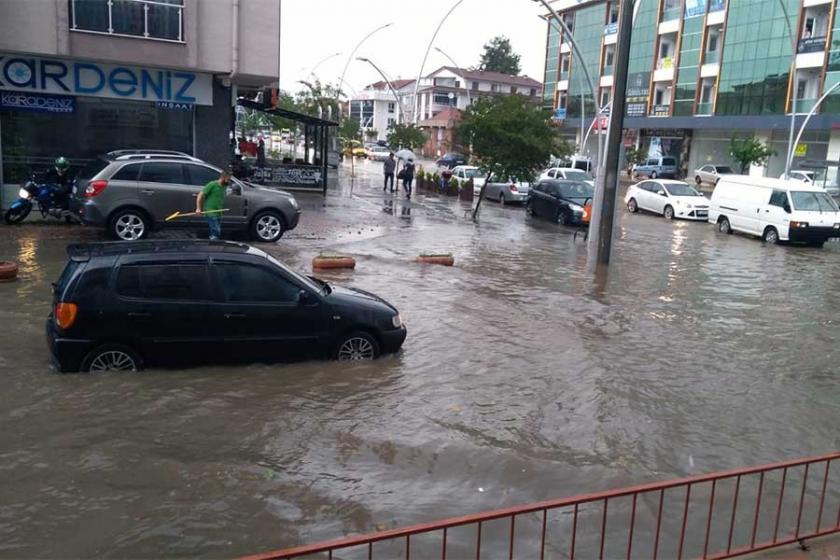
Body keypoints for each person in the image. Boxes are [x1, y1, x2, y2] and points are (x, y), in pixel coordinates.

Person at [196, 169, 231, 240]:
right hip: (210, 212)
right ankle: (214, 245)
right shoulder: (212, 184)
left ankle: (213, 245)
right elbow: (200, 195)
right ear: (223, 177)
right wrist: (198, 208)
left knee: (215, 231)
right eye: (228, 179)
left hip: (219, 212)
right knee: (216, 231)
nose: (229, 181)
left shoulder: (224, 186)